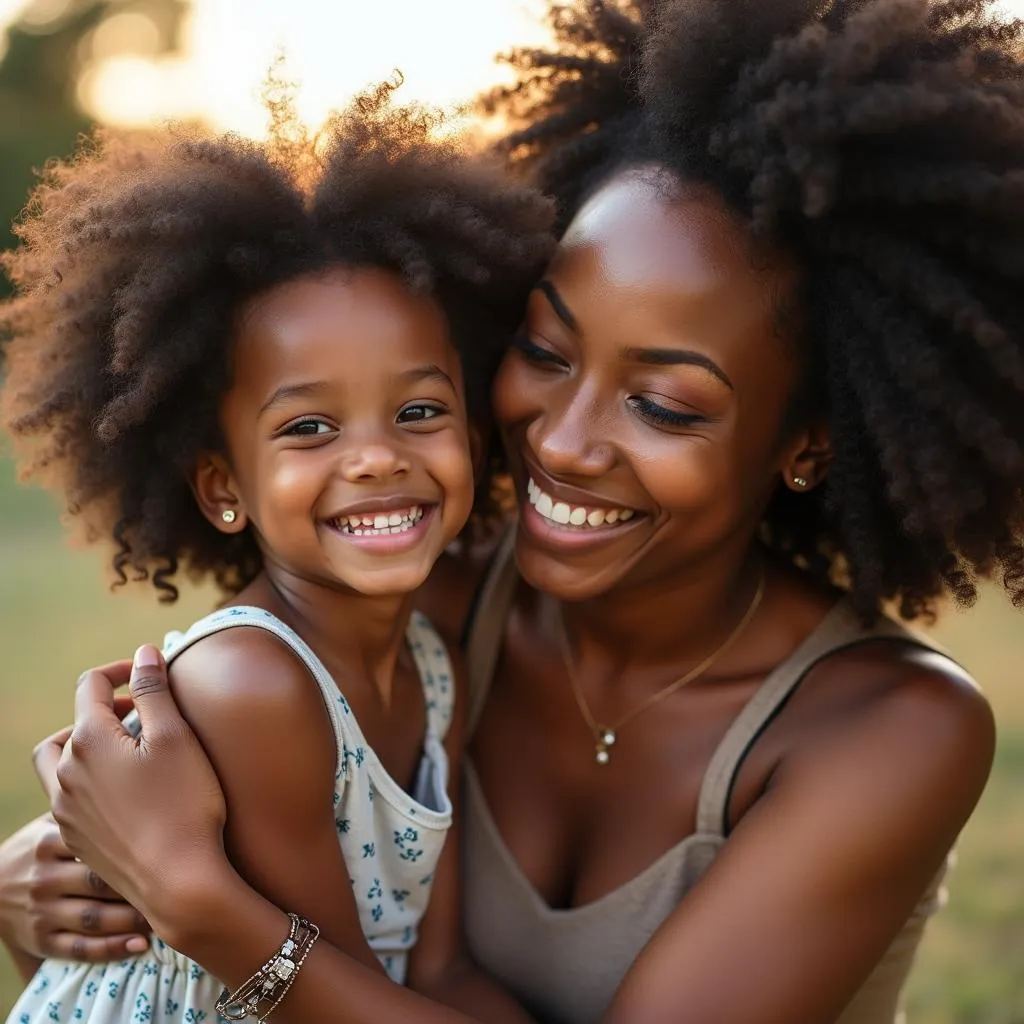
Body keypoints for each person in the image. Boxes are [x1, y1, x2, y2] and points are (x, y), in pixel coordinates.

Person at [4, 0, 1024, 1020]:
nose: (561, 439)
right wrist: (35, 888)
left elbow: (222, 916)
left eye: (661, 404)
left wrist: (201, 905)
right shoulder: (422, 610)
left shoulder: (889, 730)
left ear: (813, 441)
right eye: (543, 350)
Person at [0, 80, 551, 1024]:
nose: (377, 456)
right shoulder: (251, 688)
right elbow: (326, 1005)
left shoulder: (434, 667)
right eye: (308, 426)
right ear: (223, 488)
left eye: (420, 410)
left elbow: (439, 970)